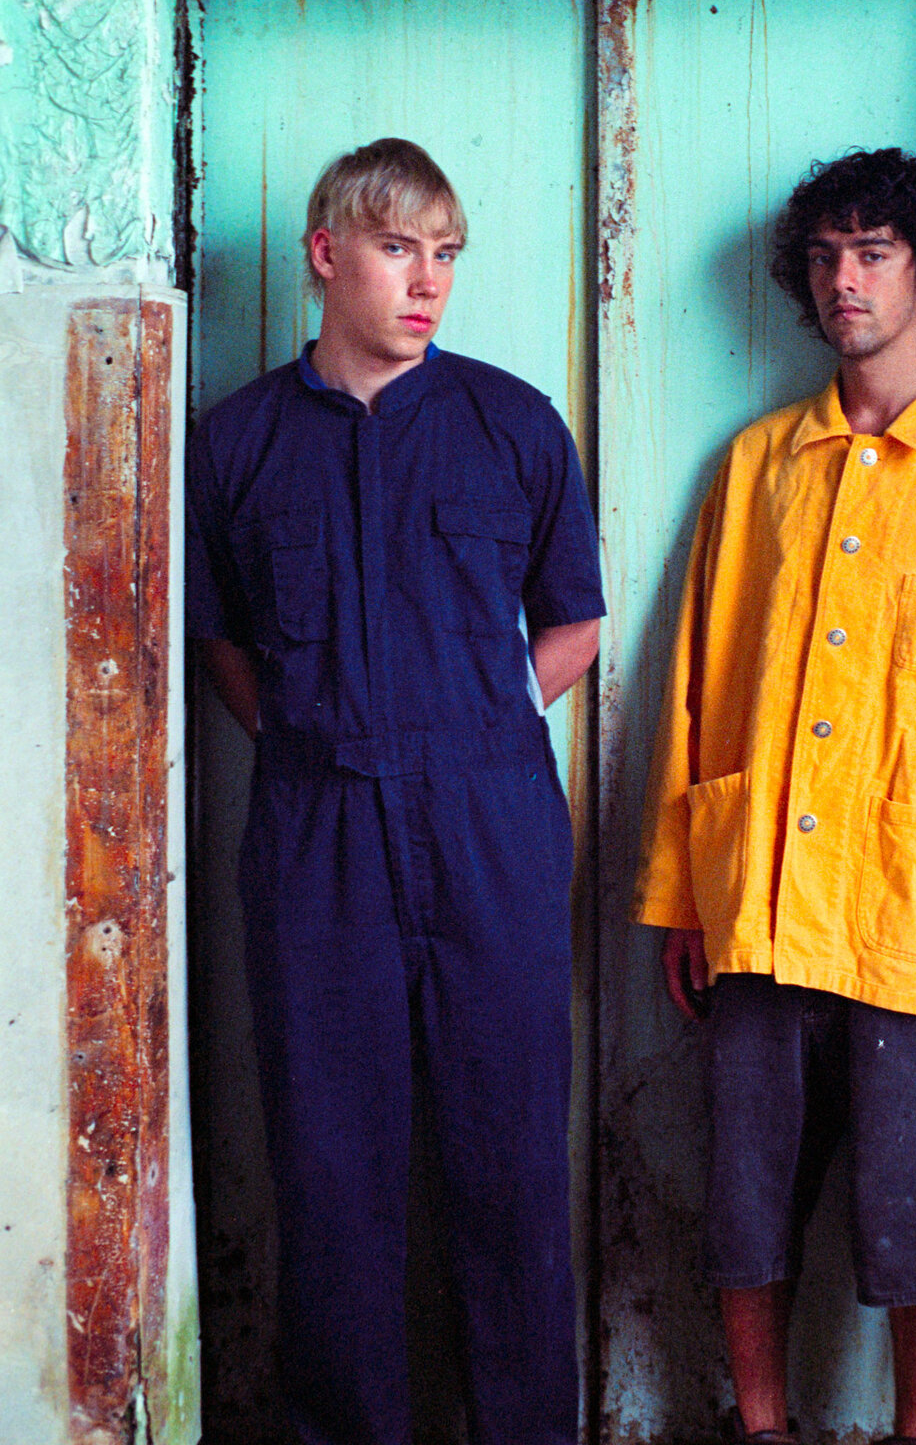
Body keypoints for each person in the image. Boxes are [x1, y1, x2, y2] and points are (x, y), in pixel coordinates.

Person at [634, 148, 916, 1444]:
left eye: (872, 253)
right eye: (825, 257)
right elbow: (696, 692)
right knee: (746, 1200)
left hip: (915, 918)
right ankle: (762, 1430)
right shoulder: (757, 464)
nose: (844, 280)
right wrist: (683, 898)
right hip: (759, 900)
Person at [186, 138, 604, 1445]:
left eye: (446, 255)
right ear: (326, 256)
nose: (428, 282)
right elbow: (222, 644)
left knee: (511, 1158)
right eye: (397, 249)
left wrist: (472, 722)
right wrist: (316, 736)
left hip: (490, 824)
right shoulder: (236, 444)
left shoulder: (513, 425)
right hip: (317, 830)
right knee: (329, 1161)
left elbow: (575, 625)